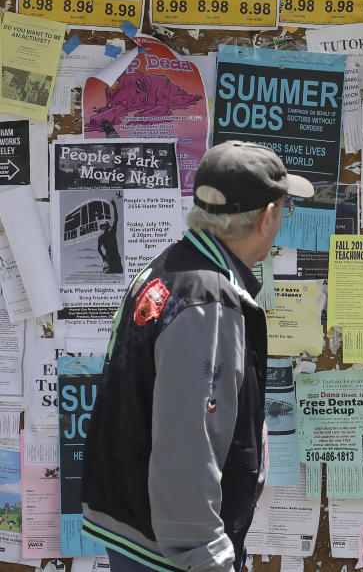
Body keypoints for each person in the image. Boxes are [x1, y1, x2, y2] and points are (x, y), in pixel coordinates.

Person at [81, 141, 314, 572]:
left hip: (137, 528)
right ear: (267, 217)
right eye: (283, 209)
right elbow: (188, 446)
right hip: (170, 551)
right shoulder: (208, 301)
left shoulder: (167, 267)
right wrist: (208, 557)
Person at [97, 196, 123, 274]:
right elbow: (98, 249)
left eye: (105, 225)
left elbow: (116, 219)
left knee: (118, 273)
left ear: (107, 226)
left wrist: (114, 206)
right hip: (109, 257)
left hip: (115, 257)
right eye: (103, 226)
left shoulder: (112, 231)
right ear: (102, 228)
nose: (104, 227)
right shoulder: (101, 237)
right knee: (108, 274)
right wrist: (103, 257)